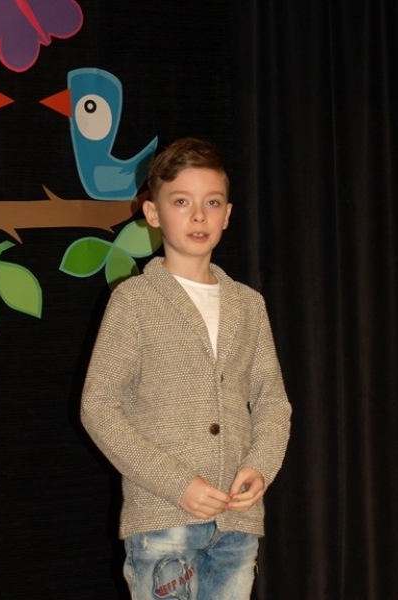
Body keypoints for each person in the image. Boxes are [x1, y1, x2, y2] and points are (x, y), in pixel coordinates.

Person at [81, 137, 291, 600]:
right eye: (181, 202)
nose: (198, 215)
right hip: (163, 520)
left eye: (211, 203)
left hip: (236, 521)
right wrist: (178, 485)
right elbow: (98, 406)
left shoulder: (249, 305)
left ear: (227, 215)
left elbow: (273, 402)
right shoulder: (134, 301)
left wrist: (259, 467)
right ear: (152, 213)